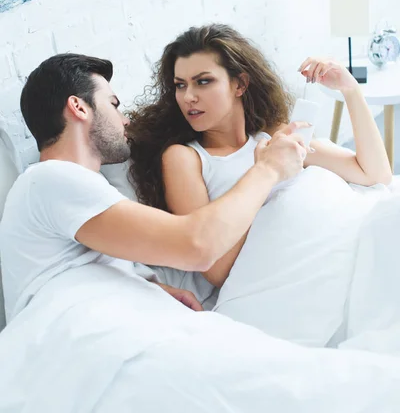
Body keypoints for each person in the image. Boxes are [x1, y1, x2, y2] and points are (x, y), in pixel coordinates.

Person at [0, 53, 308, 324]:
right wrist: (268, 169)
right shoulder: (50, 179)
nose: (124, 121)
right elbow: (197, 248)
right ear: (79, 107)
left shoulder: (74, 190)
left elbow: (79, 268)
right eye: (113, 104)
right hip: (70, 334)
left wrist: (155, 289)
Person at [128, 24, 392, 289]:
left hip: (336, 244)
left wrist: (350, 90)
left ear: (240, 84)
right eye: (180, 85)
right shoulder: (185, 158)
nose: (189, 97)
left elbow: (374, 175)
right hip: (287, 276)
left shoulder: (272, 138)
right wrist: (265, 171)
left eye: (203, 81)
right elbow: (216, 268)